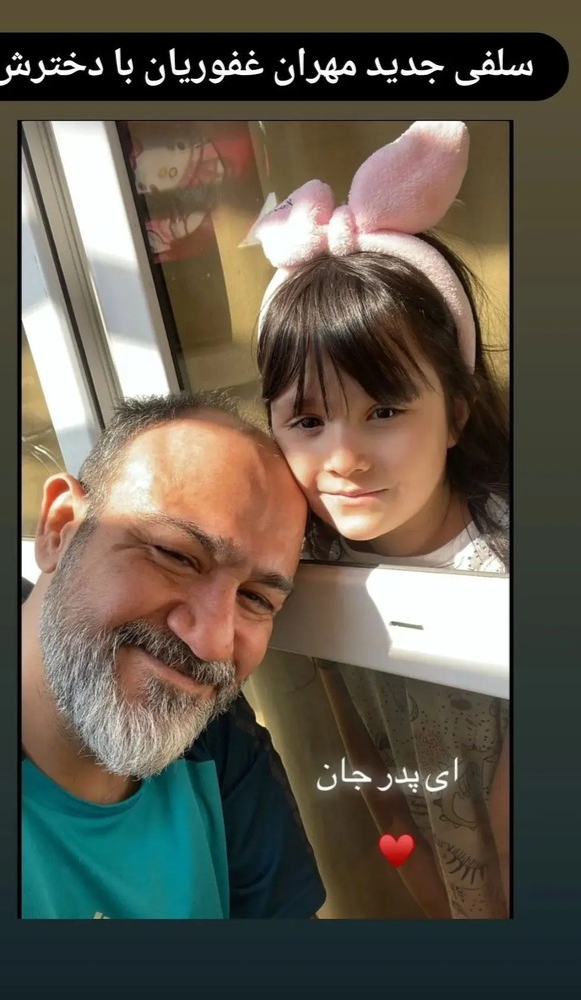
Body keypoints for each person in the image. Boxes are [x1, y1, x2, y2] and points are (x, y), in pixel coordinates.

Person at [253, 121, 509, 919]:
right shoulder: (309, 564)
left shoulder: (507, 567)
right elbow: (365, 762)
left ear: (457, 412)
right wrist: (425, 886)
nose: (345, 458)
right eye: (307, 421)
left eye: (385, 409)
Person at [21, 390, 326, 919]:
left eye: (256, 599)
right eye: (176, 555)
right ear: (59, 527)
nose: (212, 643)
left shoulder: (220, 744)